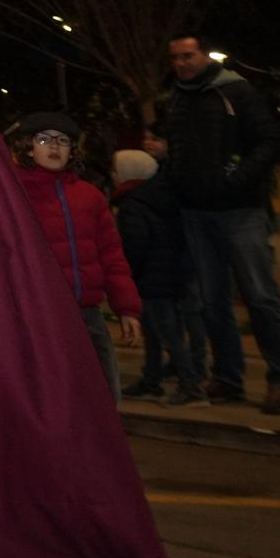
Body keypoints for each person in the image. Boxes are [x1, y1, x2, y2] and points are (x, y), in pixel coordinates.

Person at [152, 32, 280, 413]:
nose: (181, 63)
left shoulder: (237, 92)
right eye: (175, 58)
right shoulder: (179, 99)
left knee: (261, 298)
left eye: (188, 55)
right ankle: (228, 378)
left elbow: (269, 142)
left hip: (240, 212)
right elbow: (181, 150)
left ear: (205, 55)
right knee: (212, 302)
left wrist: (233, 182)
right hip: (196, 214)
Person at [11, 111, 140, 401]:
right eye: (44, 139)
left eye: (63, 141)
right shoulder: (13, 196)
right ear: (29, 147)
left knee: (105, 399)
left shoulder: (90, 196)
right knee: (52, 402)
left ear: (72, 151)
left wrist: (127, 308)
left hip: (88, 315)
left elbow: (111, 255)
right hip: (40, 317)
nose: (54, 147)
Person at [112, 150, 206, 406]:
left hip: (150, 279)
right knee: (157, 333)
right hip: (171, 275)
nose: (113, 175)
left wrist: (128, 273)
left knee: (167, 335)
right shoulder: (162, 197)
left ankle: (191, 387)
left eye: (116, 170)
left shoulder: (132, 204)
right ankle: (151, 379)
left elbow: (135, 243)